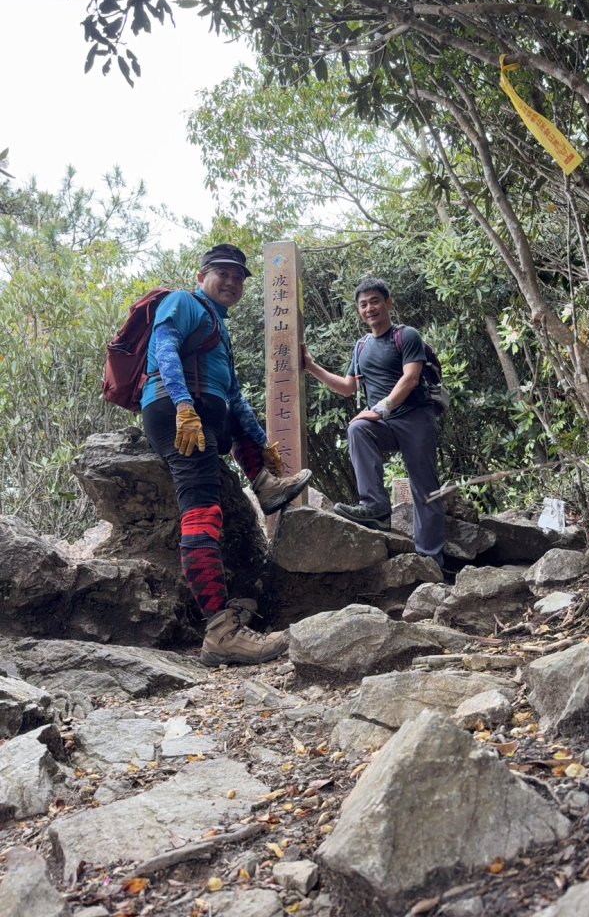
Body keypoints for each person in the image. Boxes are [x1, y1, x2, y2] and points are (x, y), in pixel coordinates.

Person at [141, 244, 312, 667]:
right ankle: (221, 632)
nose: (232, 282)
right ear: (202, 276)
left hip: (209, 411)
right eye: (223, 273)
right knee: (203, 512)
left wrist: (261, 444)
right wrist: (182, 404)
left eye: (239, 277)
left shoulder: (219, 324)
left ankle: (267, 487)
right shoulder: (182, 302)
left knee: (236, 413)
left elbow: (234, 396)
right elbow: (164, 347)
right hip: (177, 410)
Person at [302, 278, 445, 566]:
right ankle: (376, 509)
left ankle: (431, 560)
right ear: (359, 310)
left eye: (375, 301)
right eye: (363, 304)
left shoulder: (407, 336)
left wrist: (381, 408)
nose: (370, 308)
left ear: (389, 303)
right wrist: (310, 367)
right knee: (358, 429)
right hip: (384, 423)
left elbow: (411, 377)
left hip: (415, 418)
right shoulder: (361, 346)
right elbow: (346, 387)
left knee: (424, 487)